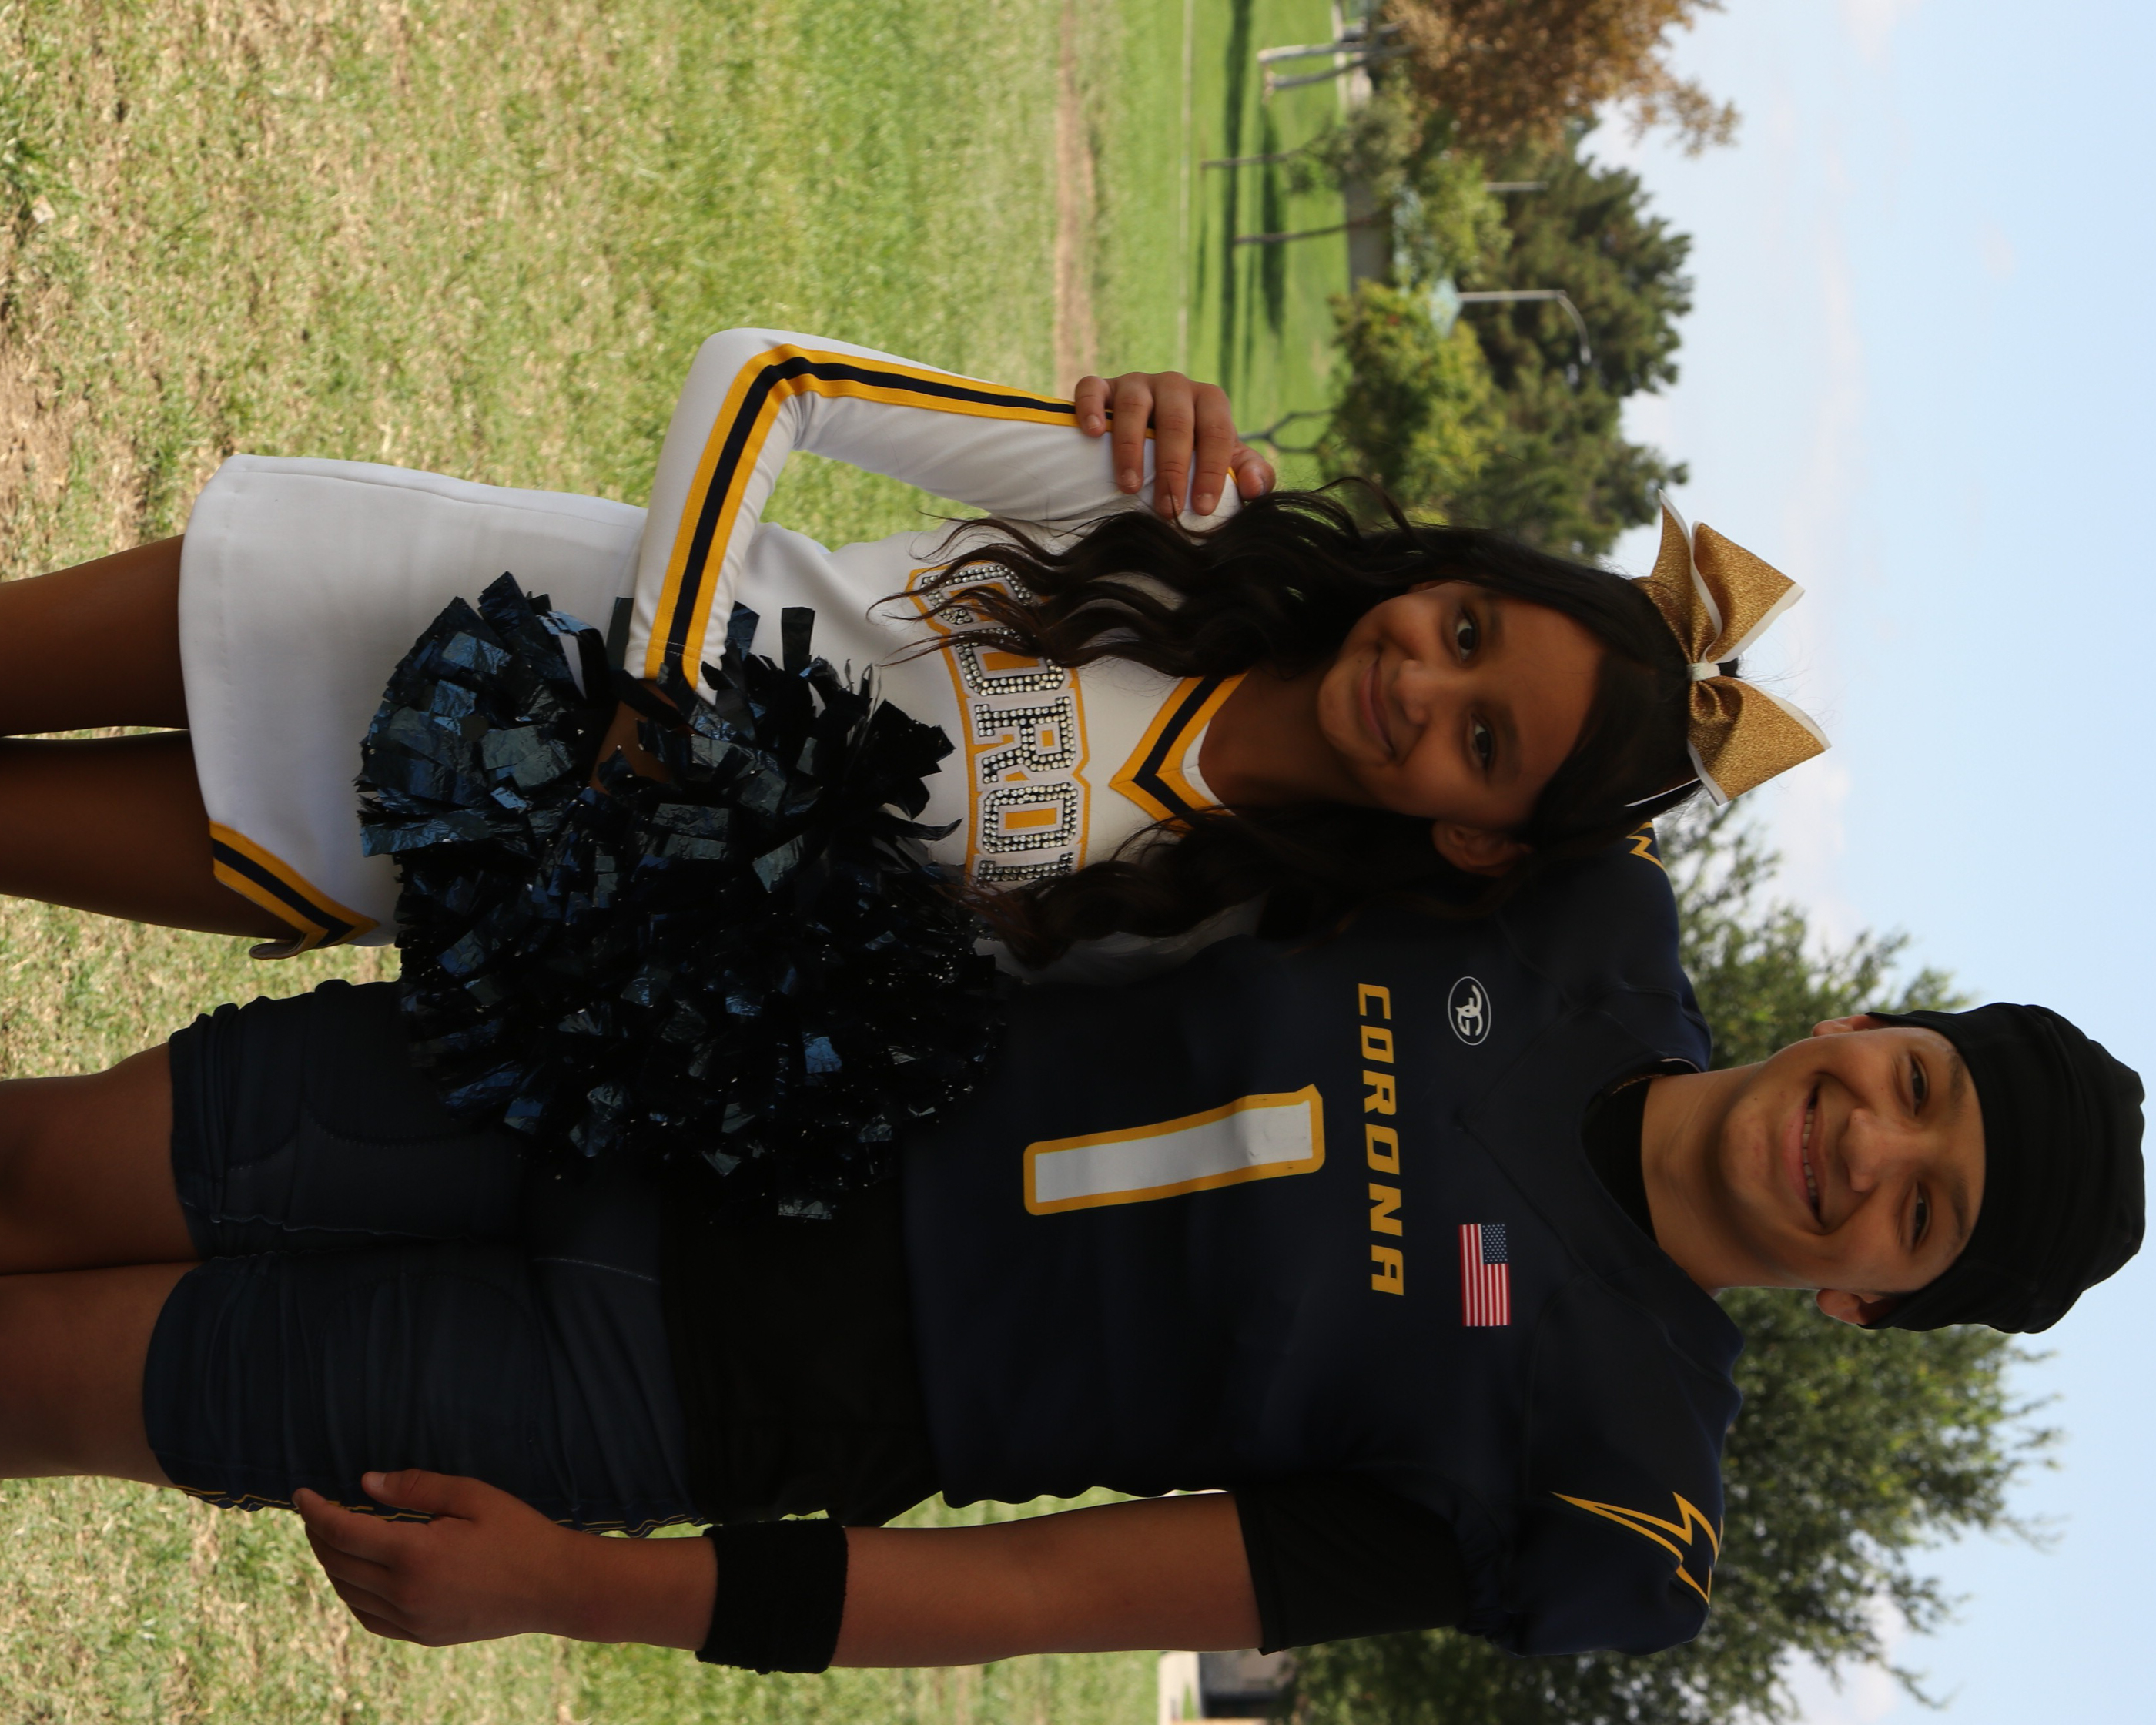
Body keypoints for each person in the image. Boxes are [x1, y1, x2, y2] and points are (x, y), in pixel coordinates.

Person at [0, 823, 2134, 1670]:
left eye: (1920, 1209)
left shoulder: (1615, 1481)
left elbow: (1039, 1593)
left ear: (1871, 1296)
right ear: (1877, 1025)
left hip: (708, 1380)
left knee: (57, 1383)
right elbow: (1196, 735)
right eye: (1918, 1082)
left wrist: (582, 1590)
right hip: (696, 1066)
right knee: (44, 1164)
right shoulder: (1577, 905)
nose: (1867, 1142)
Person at [0, 328, 1822, 973]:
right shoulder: (1174, 513)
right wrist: (659, 699)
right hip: (439, 604)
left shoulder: (1217, 930)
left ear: (1478, 837)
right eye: (1465, 627)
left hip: (450, 855)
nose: (1418, 679)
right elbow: (771, 380)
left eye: (1480, 738)